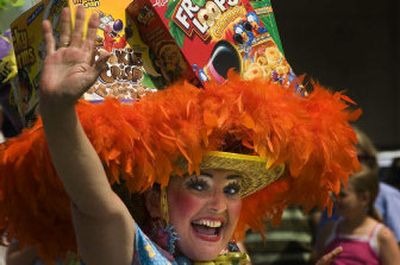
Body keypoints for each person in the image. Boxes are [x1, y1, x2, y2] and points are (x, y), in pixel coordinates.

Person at [0, 6, 361, 265]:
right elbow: (92, 201)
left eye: (232, 188)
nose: (219, 204)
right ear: (159, 195)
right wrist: (60, 111)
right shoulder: (130, 253)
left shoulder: (233, 257)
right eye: (200, 183)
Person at [315, 165, 400, 265]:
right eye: (335, 194)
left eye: (342, 195)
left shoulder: (382, 237)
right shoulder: (328, 231)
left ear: (364, 198)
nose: (335, 199)